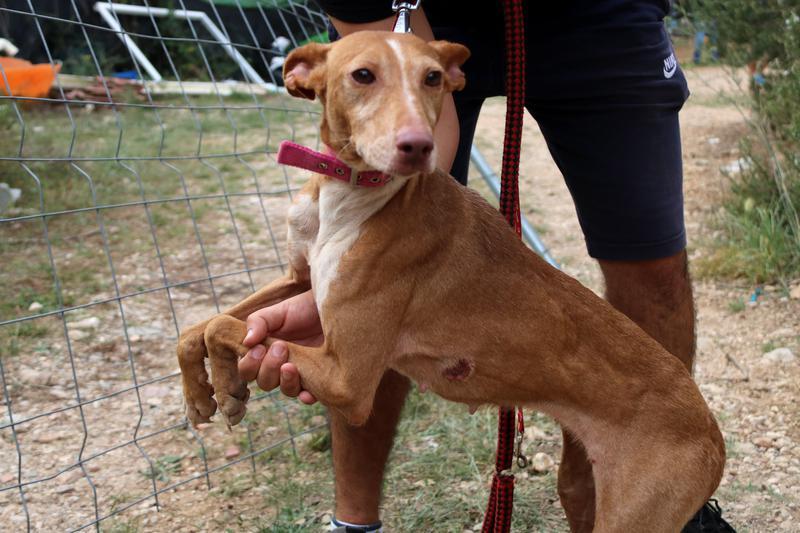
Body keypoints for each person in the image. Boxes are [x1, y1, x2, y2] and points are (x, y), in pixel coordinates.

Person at [237, 1, 735, 531]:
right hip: (430, 10)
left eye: (436, 77)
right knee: (379, 275)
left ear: (447, 74)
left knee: (652, 261)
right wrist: (363, 267)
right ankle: (354, 522)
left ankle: (660, 490)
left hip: (597, 14)